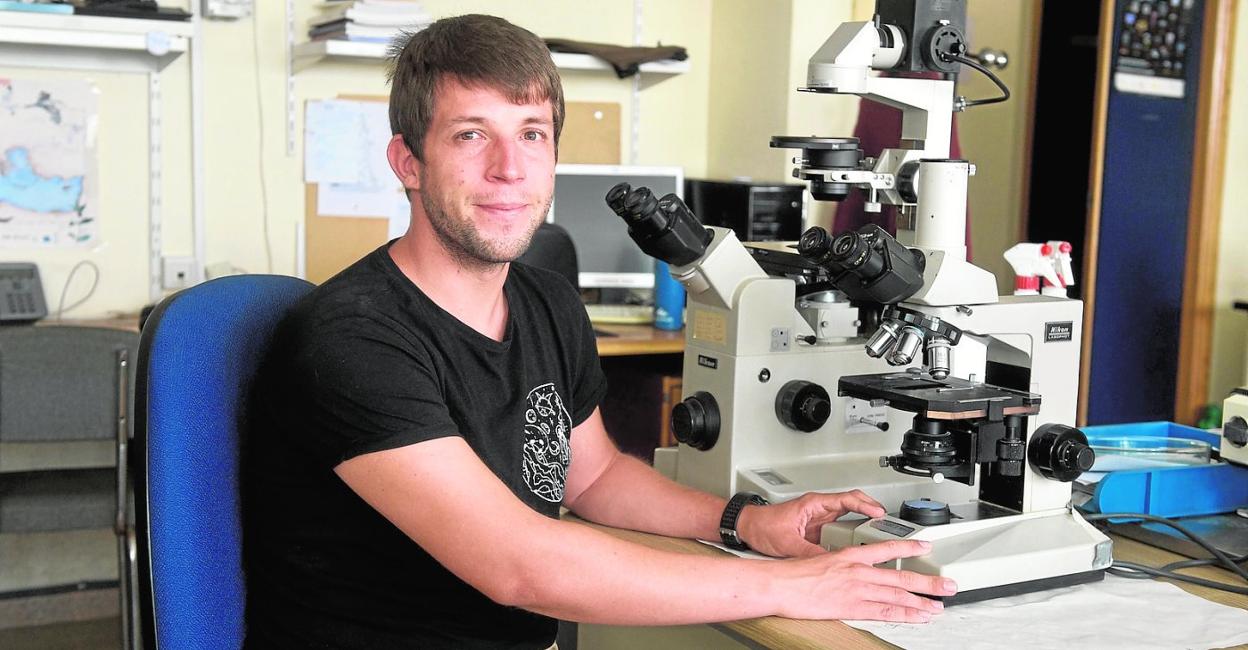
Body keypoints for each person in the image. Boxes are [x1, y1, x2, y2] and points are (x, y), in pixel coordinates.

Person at [242, 14, 956, 649]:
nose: (509, 169)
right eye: (470, 136)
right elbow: (517, 565)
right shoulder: (350, 339)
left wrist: (746, 521)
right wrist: (793, 589)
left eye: (532, 135)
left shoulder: (547, 302)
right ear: (408, 163)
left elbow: (597, 477)